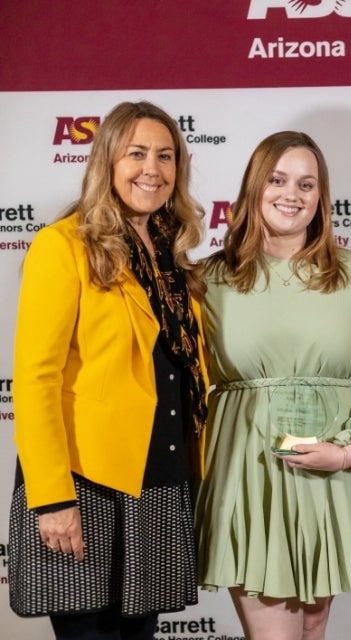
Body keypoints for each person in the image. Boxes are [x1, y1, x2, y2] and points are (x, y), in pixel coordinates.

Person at [195, 131, 351, 640]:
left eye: (306, 184)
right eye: (277, 179)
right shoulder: (209, 280)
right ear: (254, 187)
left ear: (321, 198)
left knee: (313, 627)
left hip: (334, 474)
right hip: (248, 473)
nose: (291, 194)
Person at [9, 101, 207, 639]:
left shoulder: (172, 257)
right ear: (107, 161)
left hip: (159, 479)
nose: (153, 168)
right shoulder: (64, 244)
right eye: (137, 153)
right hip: (83, 483)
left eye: (166, 156)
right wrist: (50, 498)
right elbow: (35, 378)